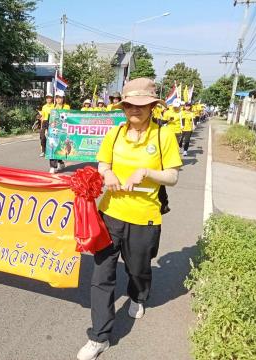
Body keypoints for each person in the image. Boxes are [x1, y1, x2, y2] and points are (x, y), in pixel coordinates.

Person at [76, 78, 182, 360]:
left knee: (138, 268)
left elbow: (172, 176)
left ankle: (138, 296)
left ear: (151, 107)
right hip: (110, 214)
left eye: (141, 105)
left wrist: (147, 172)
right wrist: (107, 174)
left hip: (145, 217)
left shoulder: (163, 135)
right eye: (129, 105)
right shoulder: (115, 134)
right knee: (102, 275)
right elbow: (103, 164)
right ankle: (99, 337)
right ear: (123, 106)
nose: (134, 110)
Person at [48, 90, 70, 173]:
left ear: (63, 98)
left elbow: (68, 118)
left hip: (63, 130)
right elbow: (49, 120)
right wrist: (46, 129)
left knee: (60, 147)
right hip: (53, 131)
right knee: (52, 146)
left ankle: (60, 162)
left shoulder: (66, 107)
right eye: (57, 97)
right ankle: (53, 166)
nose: (58, 99)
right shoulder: (52, 107)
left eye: (60, 97)